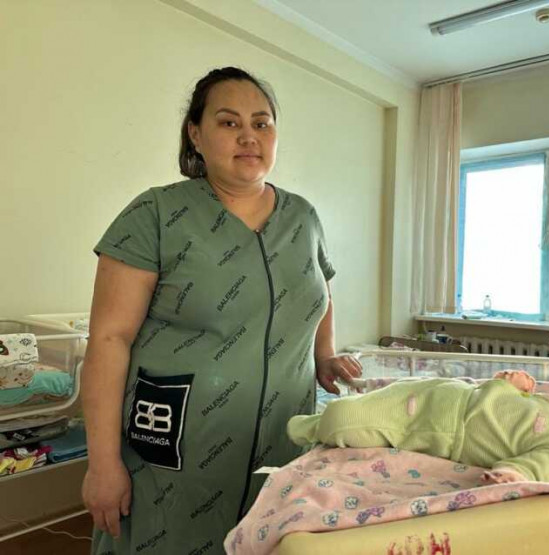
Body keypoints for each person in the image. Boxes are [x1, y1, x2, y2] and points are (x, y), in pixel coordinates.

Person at [81, 67, 362, 554]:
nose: (249, 136)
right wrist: (102, 464)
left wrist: (324, 354)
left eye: (262, 123)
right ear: (196, 134)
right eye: (229, 122)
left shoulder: (303, 217)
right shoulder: (156, 214)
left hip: (282, 442)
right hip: (174, 448)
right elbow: (109, 339)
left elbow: (320, 290)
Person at [288, 370, 549, 488]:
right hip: (453, 394)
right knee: (393, 394)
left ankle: (311, 426)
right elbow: (516, 412)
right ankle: (321, 420)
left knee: (347, 420)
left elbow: (538, 469)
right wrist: (513, 386)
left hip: (437, 425)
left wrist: (512, 475)